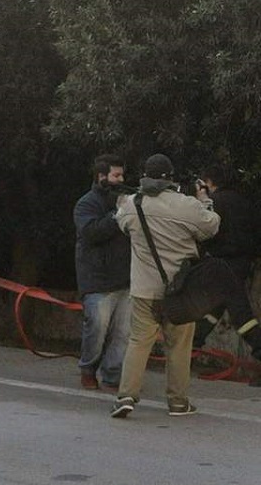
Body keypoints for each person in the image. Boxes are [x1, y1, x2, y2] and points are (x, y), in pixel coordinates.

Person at [112, 154, 220, 418]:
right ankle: (178, 402)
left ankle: (126, 396)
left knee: (138, 341)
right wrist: (206, 201)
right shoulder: (186, 205)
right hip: (181, 291)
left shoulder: (132, 204)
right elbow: (212, 226)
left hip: (143, 289)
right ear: (170, 178)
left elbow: (121, 222)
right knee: (179, 346)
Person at [192, 164, 261, 384]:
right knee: (212, 308)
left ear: (209, 182)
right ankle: (191, 345)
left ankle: (189, 347)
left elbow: (204, 232)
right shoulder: (246, 203)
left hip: (223, 264)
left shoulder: (215, 203)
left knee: (241, 315)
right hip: (242, 264)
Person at [73, 154, 132, 390]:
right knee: (96, 330)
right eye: (116, 175)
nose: (121, 179)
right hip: (97, 279)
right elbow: (91, 232)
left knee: (123, 333)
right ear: (101, 177)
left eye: (122, 175)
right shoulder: (86, 204)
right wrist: (117, 215)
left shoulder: (123, 201)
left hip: (124, 278)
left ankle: (113, 374)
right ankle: (88, 370)